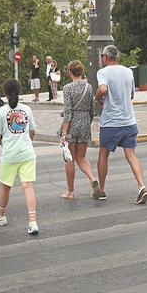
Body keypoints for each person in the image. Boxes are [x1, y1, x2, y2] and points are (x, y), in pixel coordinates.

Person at [95, 45, 147, 204]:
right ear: (117, 57)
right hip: (129, 121)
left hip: (110, 122)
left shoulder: (103, 72)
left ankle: (102, 190)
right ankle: (142, 187)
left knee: (103, 155)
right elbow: (131, 95)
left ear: (105, 57)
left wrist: (97, 98)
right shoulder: (128, 72)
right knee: (131, 155)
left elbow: (103, 89)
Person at [0, 79, 39, 234]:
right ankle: (33, 222)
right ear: (20, 92)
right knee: (28, 187)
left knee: (5, 186)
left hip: (9, 155)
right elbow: (33, 131)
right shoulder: (27, 109)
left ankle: (1, 216)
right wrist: (28, 142)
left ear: (5, 94)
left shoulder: (1, 112)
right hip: (27, 154)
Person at [58, 60, 99, 200]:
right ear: (81, 71)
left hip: (72, 125)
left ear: (70, 72)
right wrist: (86, 122)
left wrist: (64, 133)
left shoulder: (67, 88)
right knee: (81, 157)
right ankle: (92, 178)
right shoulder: (89, 87)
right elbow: (92, 110)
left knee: (70, 159)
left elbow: (68, 111)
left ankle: (71, 192)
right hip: (84, 124)